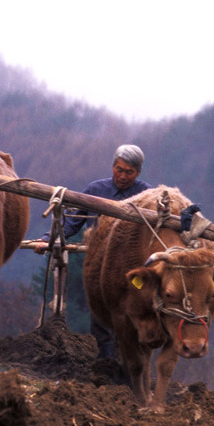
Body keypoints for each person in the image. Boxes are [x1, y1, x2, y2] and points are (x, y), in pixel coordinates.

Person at [36, 144, 151, 358]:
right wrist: (47, 240)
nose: (123, 176)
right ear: (113, 166)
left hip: (134, 268)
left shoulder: (147, 195)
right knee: (101, 316)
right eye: (119, 169)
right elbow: (72, 222)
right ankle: (105, 365)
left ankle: (130, 366)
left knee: (135, 314)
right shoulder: (96, 190)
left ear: (138, 173)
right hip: (101, 265)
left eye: (129, 172)